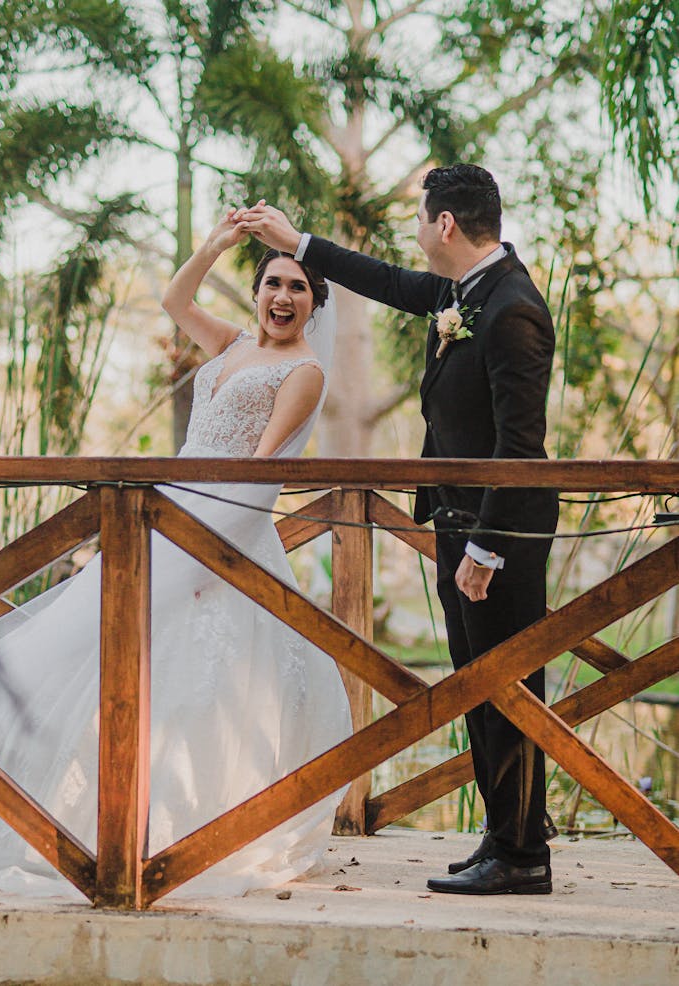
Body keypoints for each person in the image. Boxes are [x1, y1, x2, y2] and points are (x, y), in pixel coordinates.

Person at [0, 212, 351, 900]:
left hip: (222, 536)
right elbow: (175, 302)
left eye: (298, 287)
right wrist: (215, 245)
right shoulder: (232, 344)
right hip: (163, 515)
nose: (283, 296)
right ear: (256, 291)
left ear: (316, 303)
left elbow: (260, 472)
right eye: (273, 282)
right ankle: (63, 809)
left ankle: (179, 833)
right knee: (86, 643)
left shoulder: (303, 371)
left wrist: (205, 557)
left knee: (191, 689)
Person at [235, 163, 559, 896]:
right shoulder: (462, 292)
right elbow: (384, 280)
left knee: (509, 691)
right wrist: (300, 243)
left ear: (445, 224)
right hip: (459, 522)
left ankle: (520, 856)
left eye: (420, 220)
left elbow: (520, 446)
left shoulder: (510, 308)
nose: (415, 234)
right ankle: (507, 839)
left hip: (497, 539)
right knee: (482, 689)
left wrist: (485, 548)